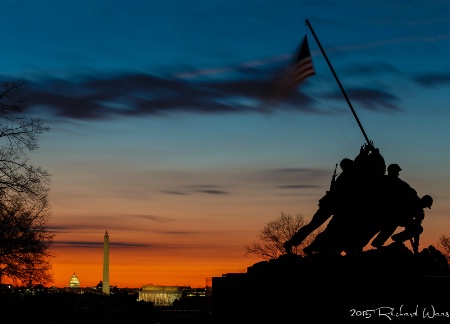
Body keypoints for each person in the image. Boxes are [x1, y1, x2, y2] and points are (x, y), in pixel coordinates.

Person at [283, 158, 355, 253]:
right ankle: (292, 243)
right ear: (347, 166)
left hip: (332, 206)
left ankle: (294, 243)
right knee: (313, 226)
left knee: (314, 226)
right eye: (351, 164)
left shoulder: (345, 176)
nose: (353, 165)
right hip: (330, 206)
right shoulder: (346, 177)